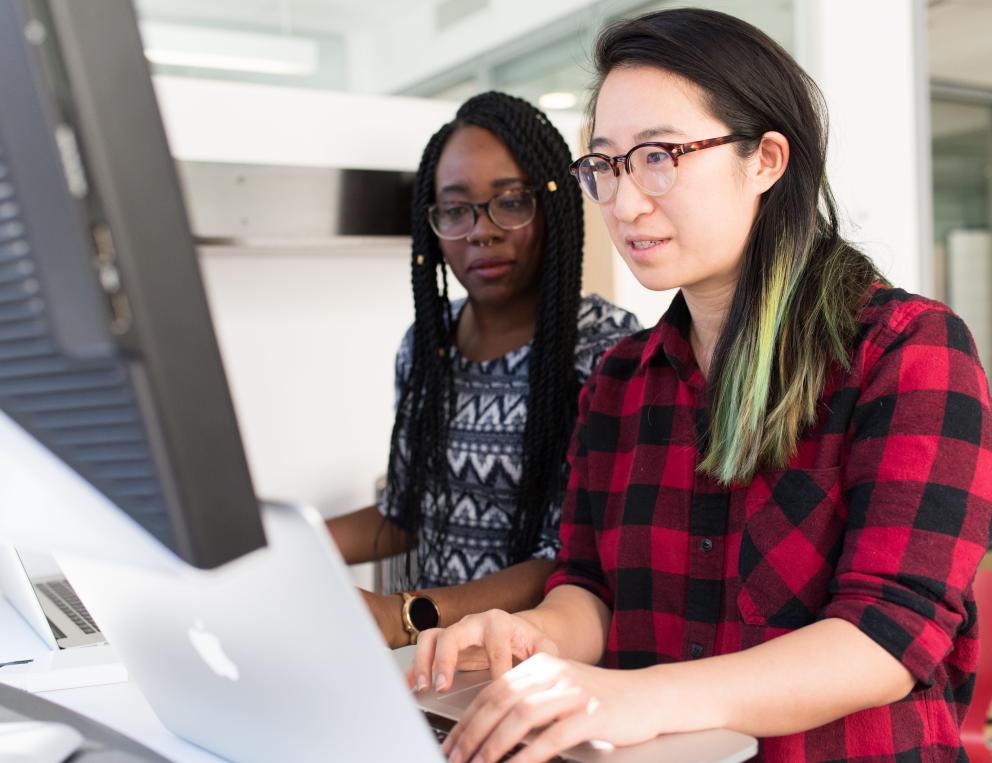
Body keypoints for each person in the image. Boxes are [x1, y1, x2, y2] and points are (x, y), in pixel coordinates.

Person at [410, 10, 992, 763]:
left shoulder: (909, 350)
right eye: (607, 165)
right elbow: (590, 588)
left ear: (766, 160)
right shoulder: (621, 379)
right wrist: (535, 633)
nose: (624, 203)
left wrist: (637, 695)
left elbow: (888, 633)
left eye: (659, 156)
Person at [327, 92, 640, 649]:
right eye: (455, 209)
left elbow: (572, 559)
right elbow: (405, 511)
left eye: (511, 202)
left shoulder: (604, 350)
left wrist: (405, 616)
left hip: (540, 664)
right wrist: (278, 548)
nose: (482, 230)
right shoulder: (427, 346)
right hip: (436, 664)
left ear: (553, 206)